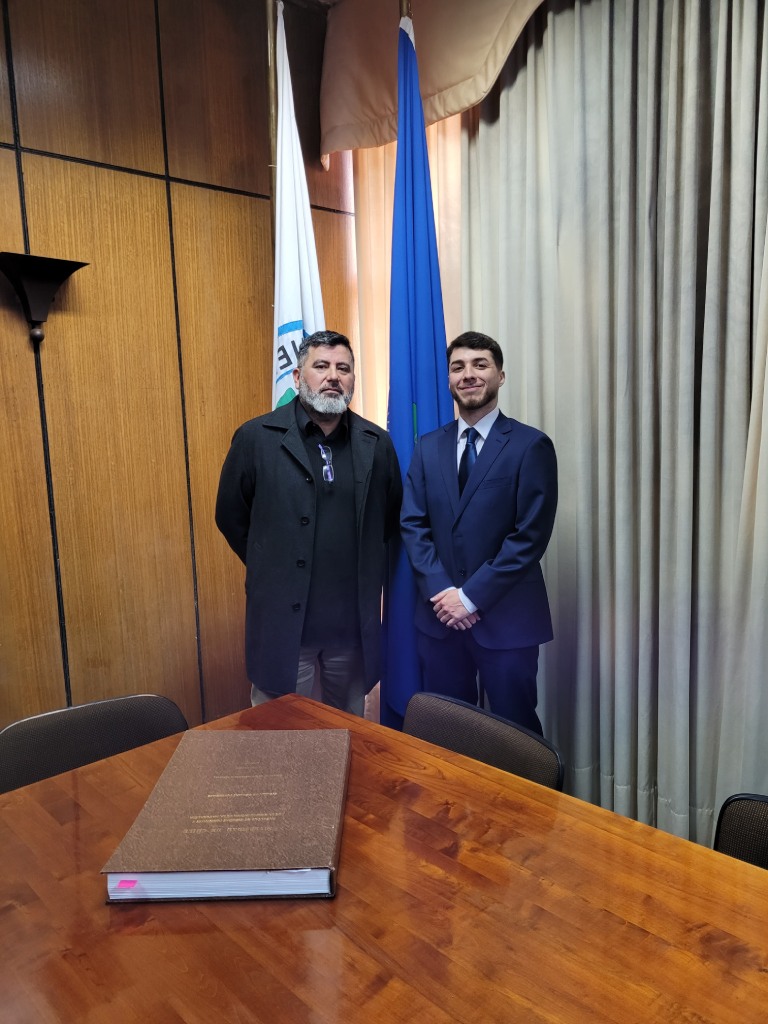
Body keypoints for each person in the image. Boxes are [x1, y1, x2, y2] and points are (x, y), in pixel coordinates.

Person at [215, 330, 402, 716]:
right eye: (321, 366)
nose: (333, 376)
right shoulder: (256, 438)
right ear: (299, 378)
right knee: (282, 734)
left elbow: (389, 523)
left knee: (347, 732)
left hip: (351, 632)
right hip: (284, 625)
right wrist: (272, 565)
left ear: (352, 379)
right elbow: (231, 516)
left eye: (343, 368)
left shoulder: (377, 443)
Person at [400, 331, 557, 734]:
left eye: (480, 364)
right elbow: (413, 525)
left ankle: (521, 802)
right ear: (449, 380)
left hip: (507, 621)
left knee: (515, 736)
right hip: (439, 621)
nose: (468, 374)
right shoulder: (427, 447)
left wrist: (469, 599)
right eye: (458, 367)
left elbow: (529, 537)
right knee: (447, 736)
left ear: (500, 376)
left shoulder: (530, 446)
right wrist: (444, 595)